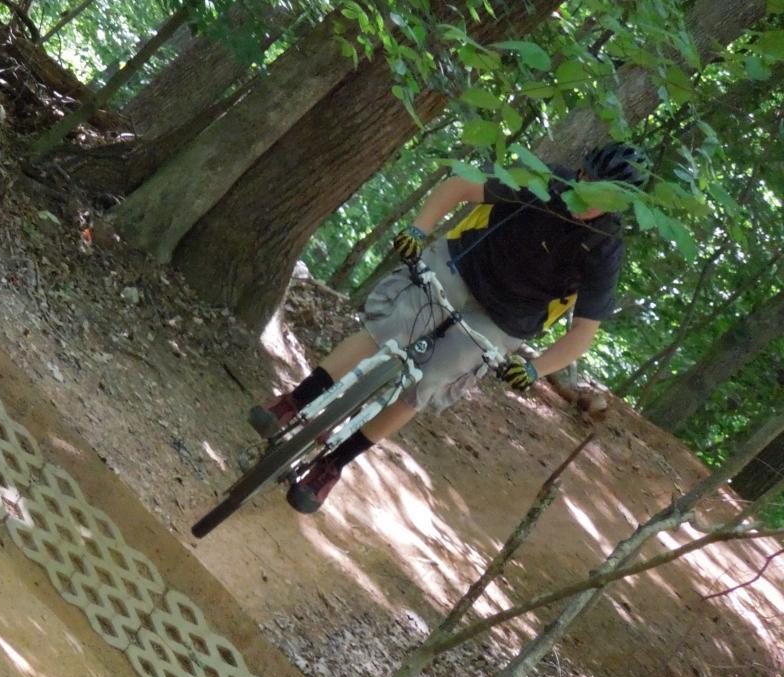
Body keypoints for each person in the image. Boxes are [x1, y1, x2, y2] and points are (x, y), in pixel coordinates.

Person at [250, 142, 650, 513]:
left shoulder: (604, 247)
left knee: (426, 383)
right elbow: (460, 186)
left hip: (505, 317)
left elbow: (583, 332)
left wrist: (534, 369)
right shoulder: (543, 181)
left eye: (605, 196)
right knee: (390, 331)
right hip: (463, 265)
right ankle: (294, 402)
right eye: (588, 181)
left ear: (619, 205)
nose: (589, 195)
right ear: (580, 173)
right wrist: (418, 229)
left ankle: (332, 464)